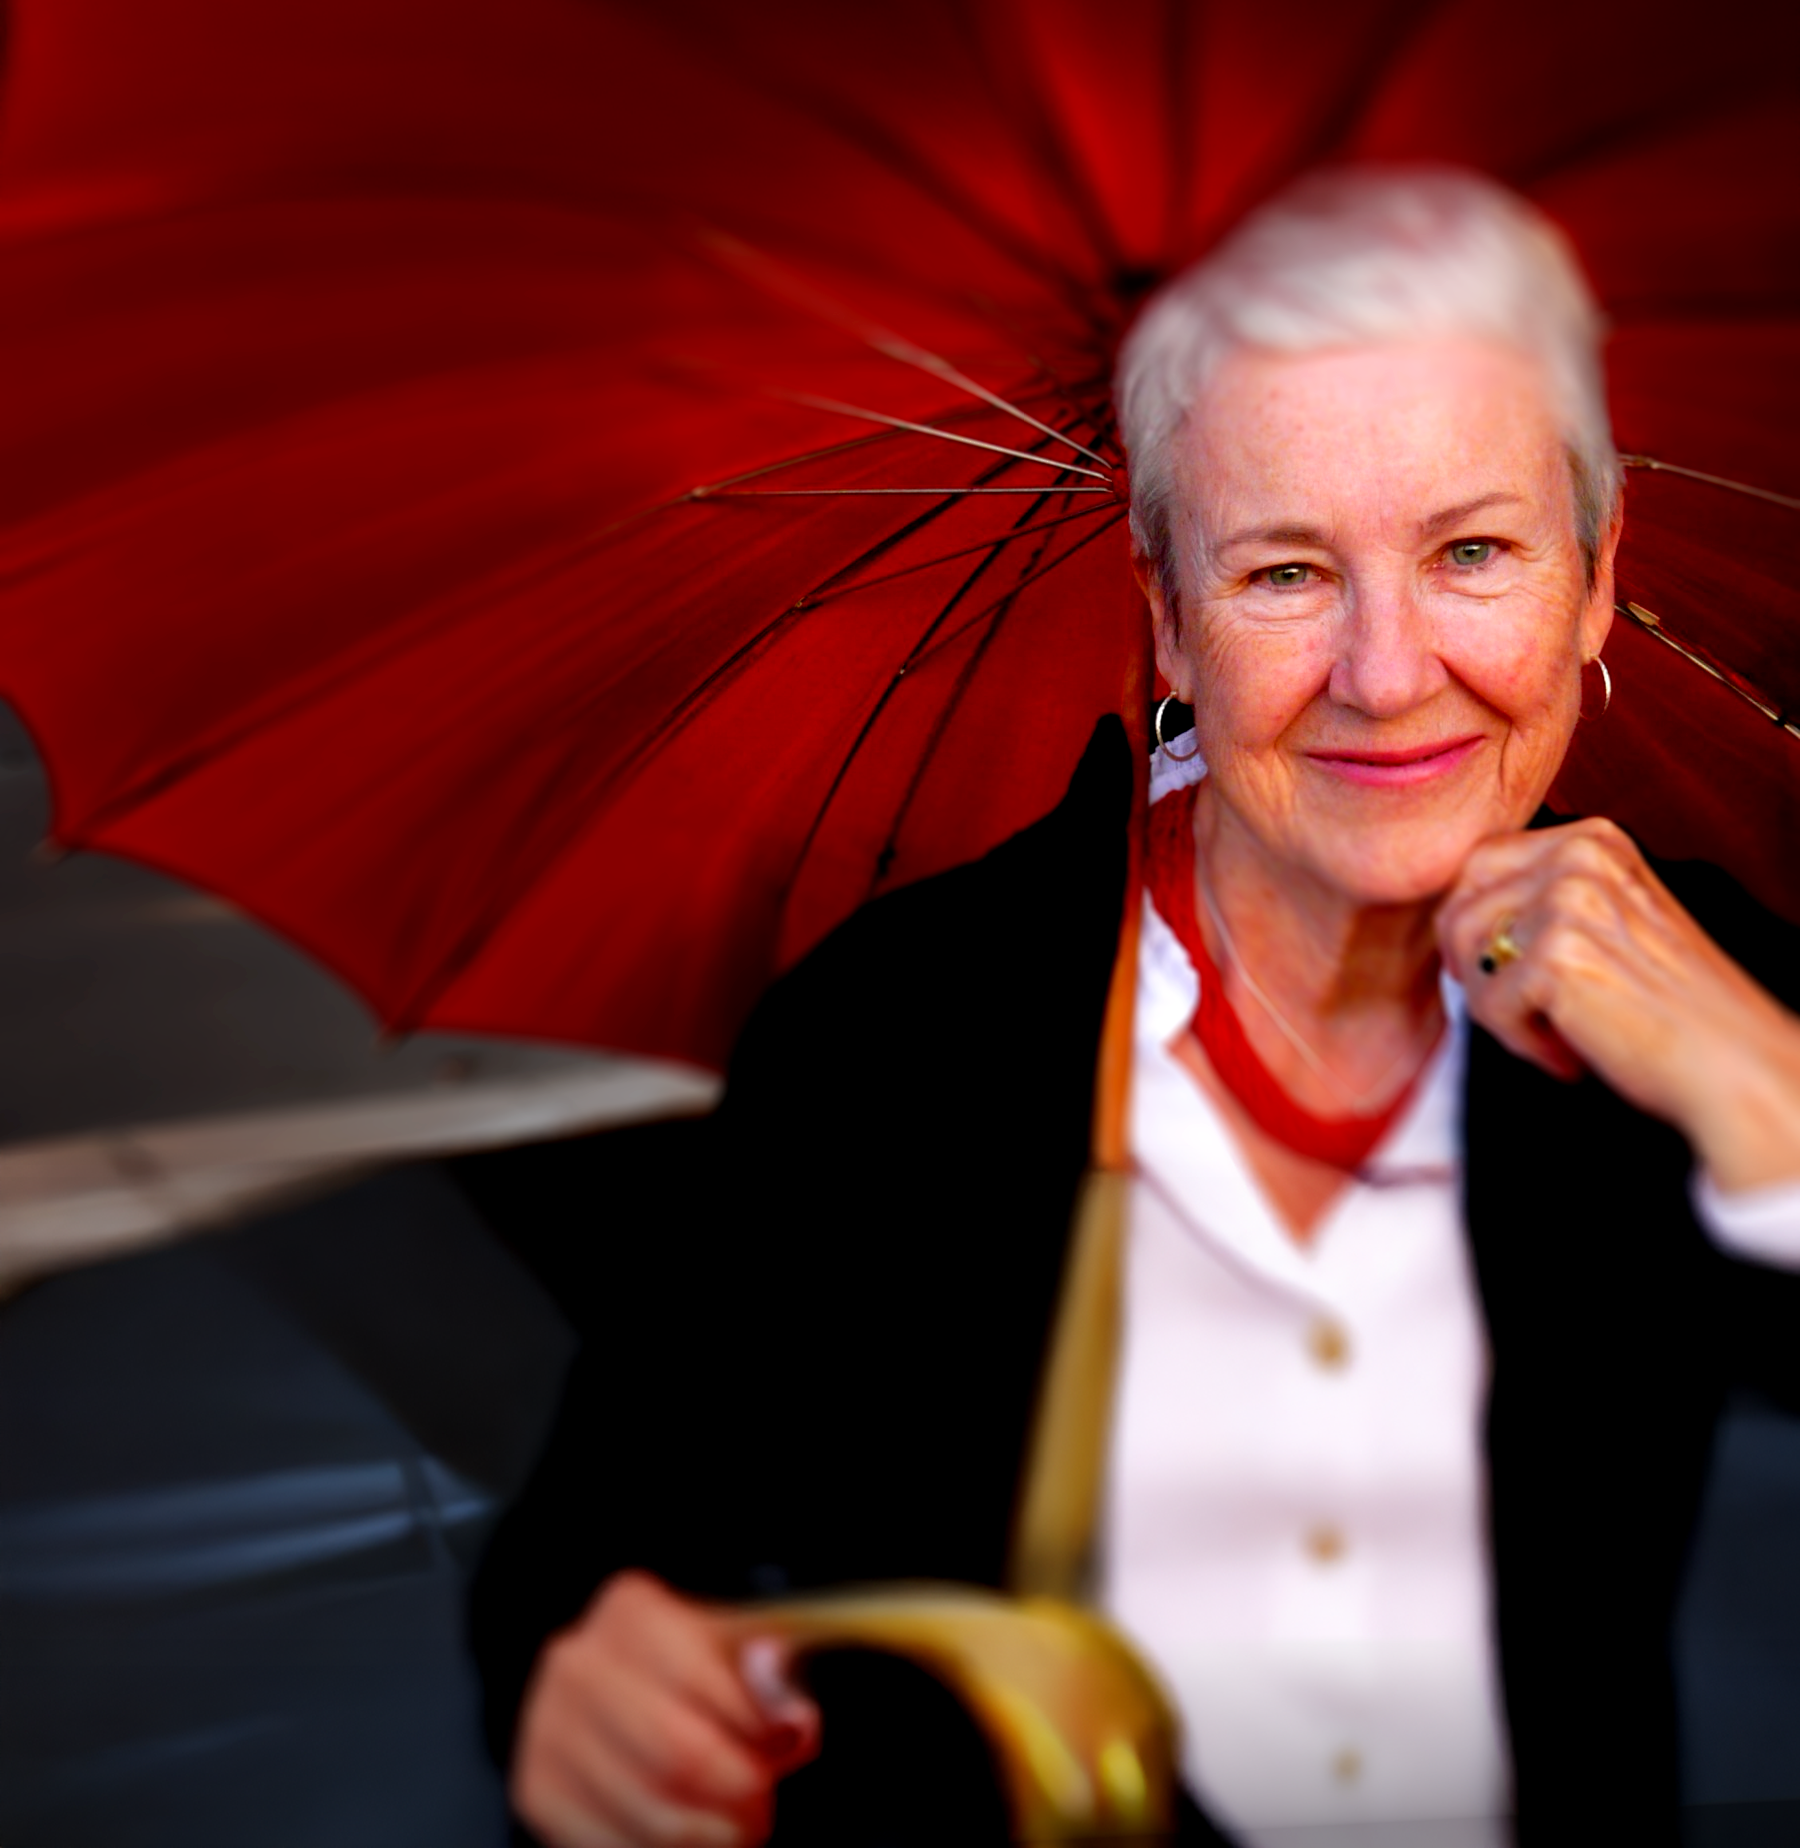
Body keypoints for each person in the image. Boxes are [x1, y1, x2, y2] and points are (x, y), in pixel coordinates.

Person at [469, 168, 1800, 1848]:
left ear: (1596, 579)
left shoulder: (1706, 982)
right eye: (1285, 575)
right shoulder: (902, 1030)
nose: (1389, 675)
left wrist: (1772, 1107)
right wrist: (593, 1687)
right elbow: (597, 1548)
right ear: (1168, 617)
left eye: (1474, 551)